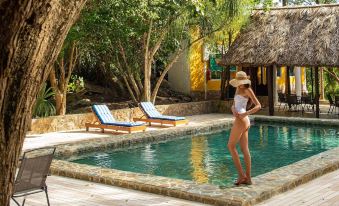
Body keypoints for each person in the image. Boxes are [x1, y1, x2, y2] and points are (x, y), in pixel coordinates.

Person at [227, 71, 261, 185]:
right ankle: (248, 179)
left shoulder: (247, 90)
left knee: (231, 146)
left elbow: (258, 105)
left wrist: (246, 113)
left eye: (240, 81)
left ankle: (242, 175)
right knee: (244, 149)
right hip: (241, 120)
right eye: (238, 82)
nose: (239, 84)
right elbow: (234, 104)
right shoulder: (237, 89)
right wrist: (233, 109)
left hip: (242, 120)